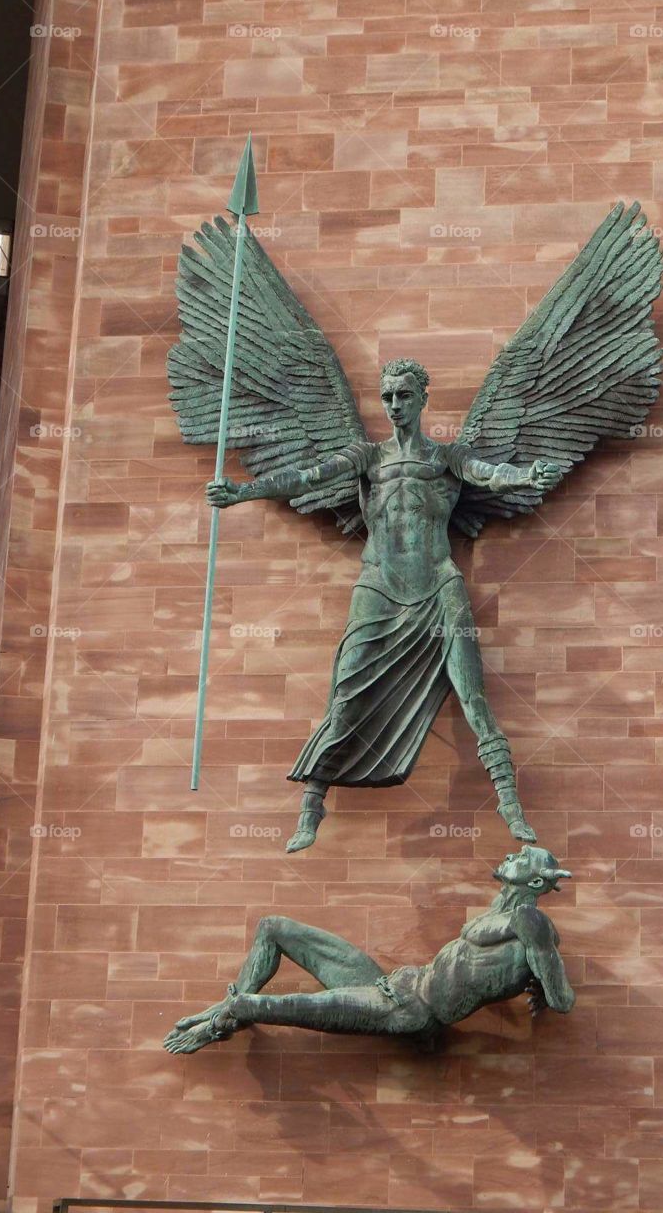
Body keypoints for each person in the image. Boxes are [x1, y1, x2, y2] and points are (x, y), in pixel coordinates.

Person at [206, 359, 563, 852]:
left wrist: (526, 475)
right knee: (345, 696)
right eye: (388, 396)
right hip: (377, 586)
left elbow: (491, 474)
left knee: (473, 696)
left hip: (438, 584)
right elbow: (307, 477)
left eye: (404, 395)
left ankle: (510, 806)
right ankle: (311, 806)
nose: (395, 405)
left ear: (422, 399)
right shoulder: (368, 457)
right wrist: (245, 492)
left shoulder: (446, 457)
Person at [163, 846, 575, 1053]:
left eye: (523, 858)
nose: (513, 854)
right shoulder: (502, 911)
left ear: (537, 882)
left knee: (273, 1006)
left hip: (410, 1012)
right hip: (392, 985)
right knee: (273, 929)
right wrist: (538, 977)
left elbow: (563, 1000)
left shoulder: (531, 922)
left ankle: (220, 1022)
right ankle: (228, 1008)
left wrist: (546, 981)